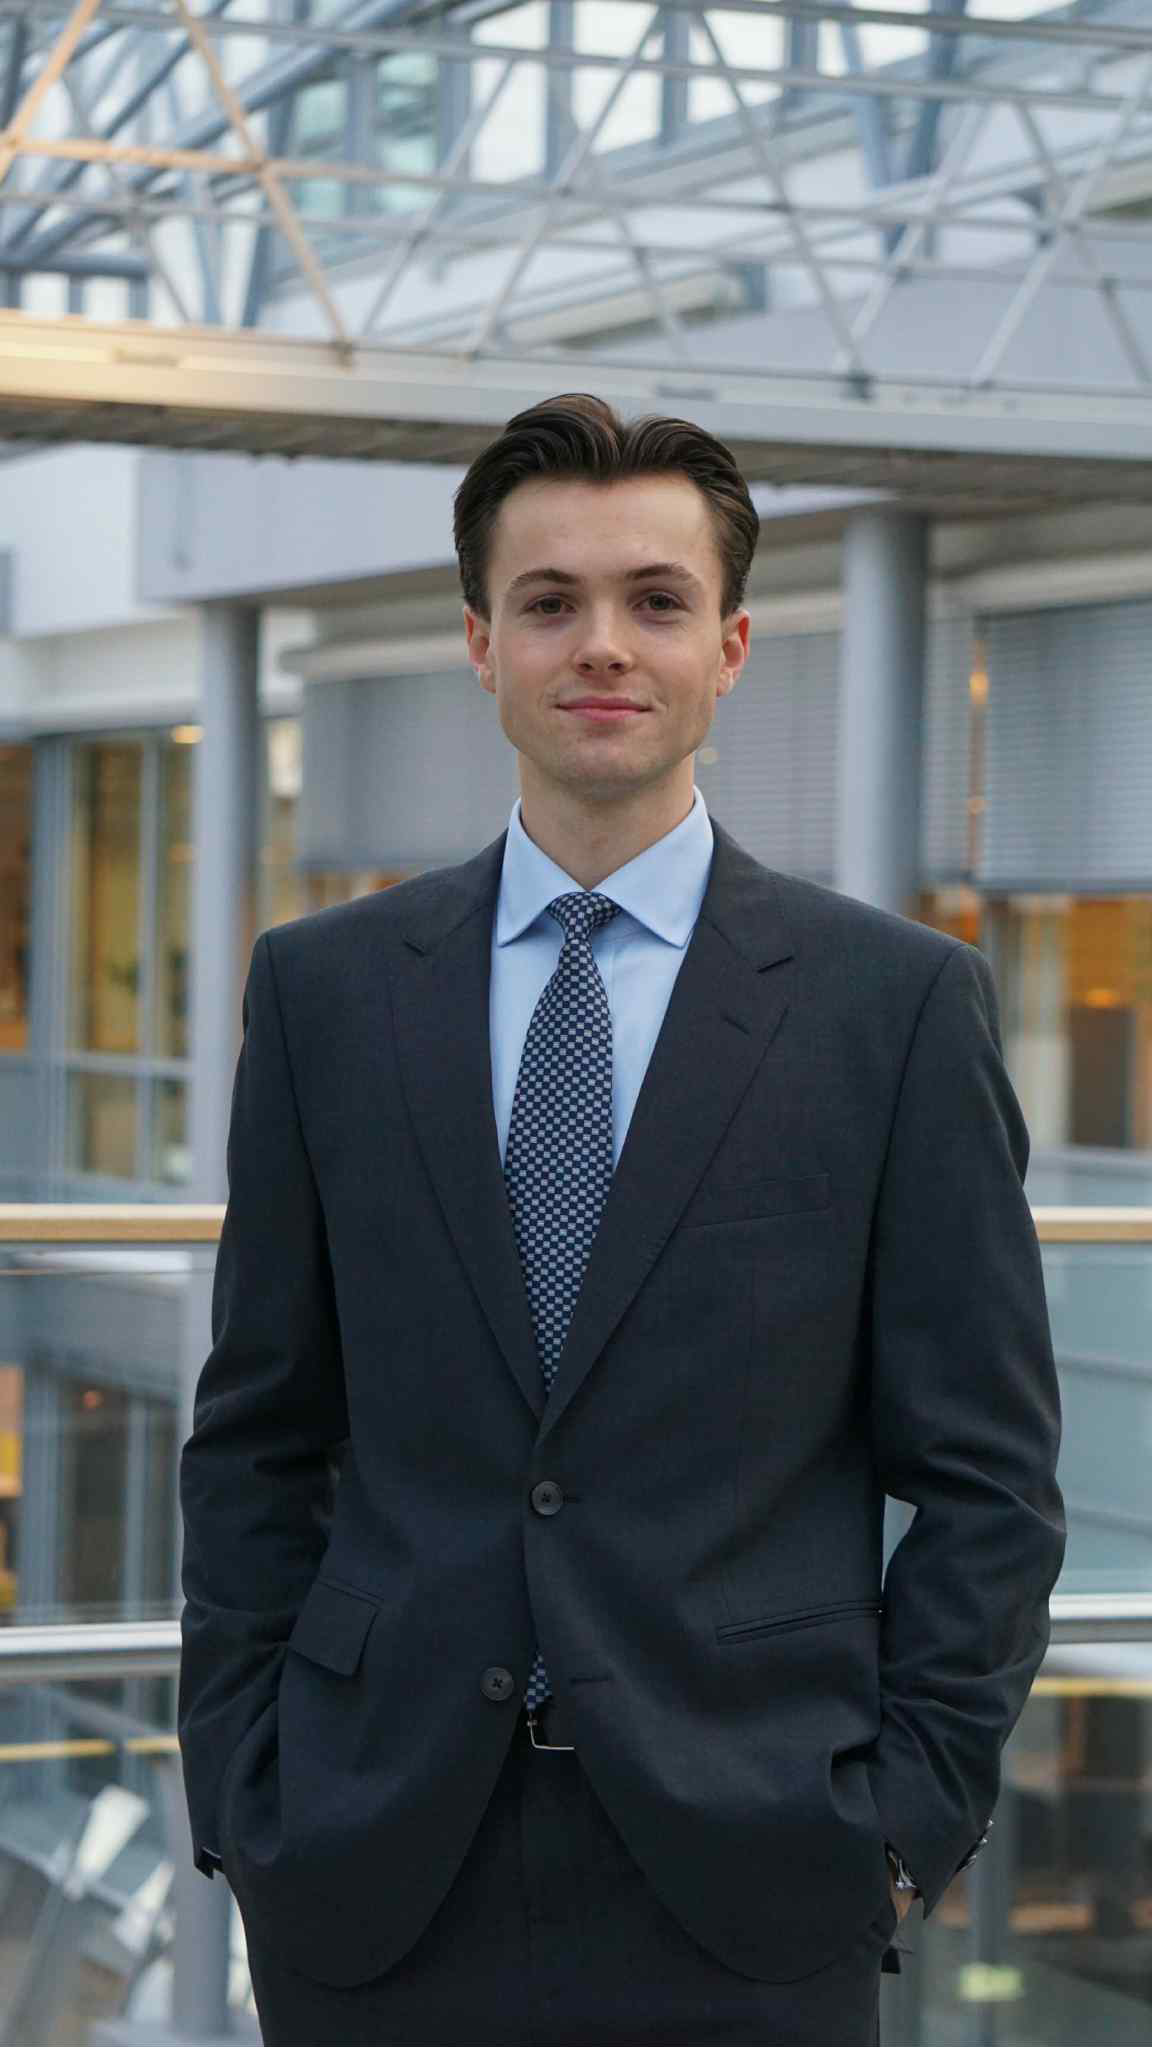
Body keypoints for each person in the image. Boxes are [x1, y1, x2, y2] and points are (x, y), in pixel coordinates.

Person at [177, 392, 1066, 2046]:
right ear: (480, 643)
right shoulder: (325, 993)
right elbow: (256, 1435)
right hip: (370, 1872)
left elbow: (990, 1479)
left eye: (656, 599)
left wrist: (898, 1828)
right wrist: (243, 1790)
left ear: (729, 647)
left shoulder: (892, 1009)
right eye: (550, 601)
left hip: (756, 1874)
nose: (603, 643)